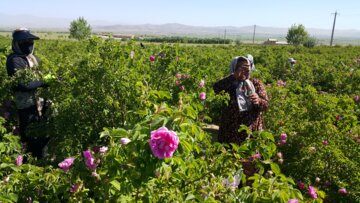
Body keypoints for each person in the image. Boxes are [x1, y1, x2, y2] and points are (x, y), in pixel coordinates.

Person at [213, 55, 269, 183]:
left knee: (249, 163)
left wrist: (258, 100)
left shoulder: (256, 84)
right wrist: (233, 77)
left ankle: (248, 189)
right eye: (241, 67)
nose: (245, 70)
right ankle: (228, 189)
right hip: (231, 131)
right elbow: (216, 88)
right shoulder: (229, 84)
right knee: (229, 163)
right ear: (234, 68)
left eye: (247, 67)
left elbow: (266, 105)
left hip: (250, 131)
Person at [6, 28, 50, 159]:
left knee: (43, 135)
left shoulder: (33, 58)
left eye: (29, 41)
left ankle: (40, 161)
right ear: (16, 44)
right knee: (30, 136)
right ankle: (29, 166)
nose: (28, 44)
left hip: (40, 103)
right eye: (24, 41)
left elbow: (40, 75)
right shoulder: (14, 60)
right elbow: (23, 85)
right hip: (26, 105)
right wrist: (44, 81)